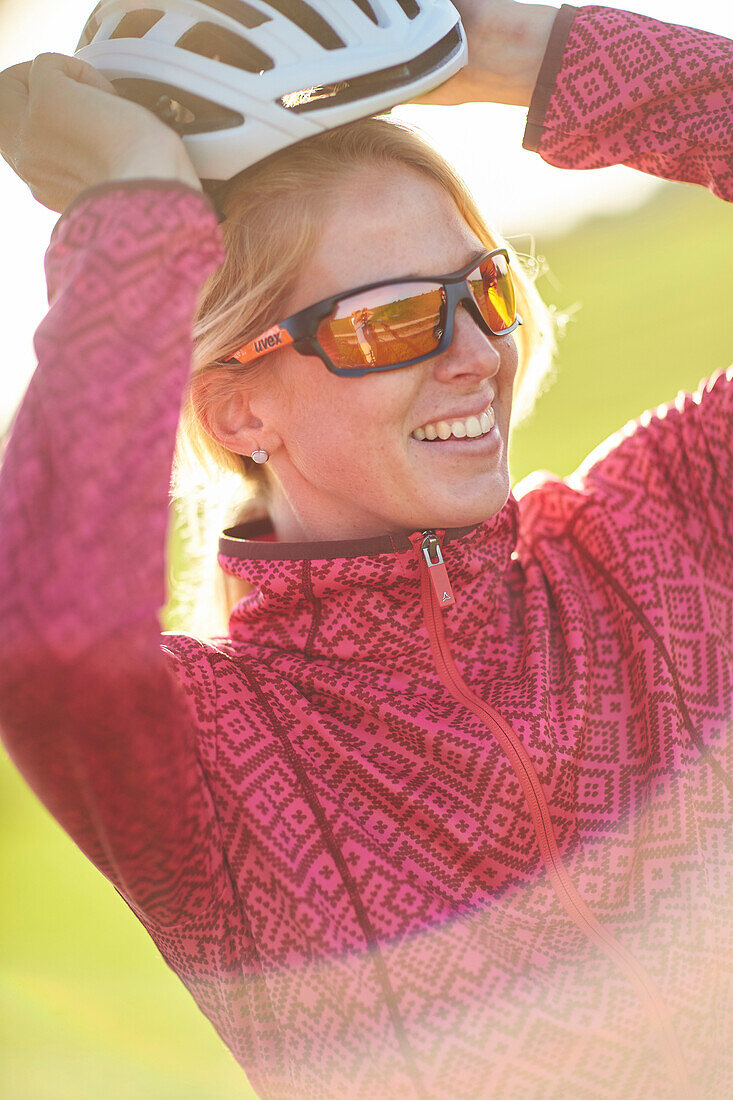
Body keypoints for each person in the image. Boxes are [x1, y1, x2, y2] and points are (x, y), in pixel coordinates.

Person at [0, 1, 730, 1097]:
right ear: (239, 410)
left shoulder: (657, 529)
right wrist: (135, 208)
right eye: (391, 321)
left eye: (481, 290)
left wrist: (531, 60)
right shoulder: (212, 758)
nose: (476, 352)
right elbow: (50, 638)